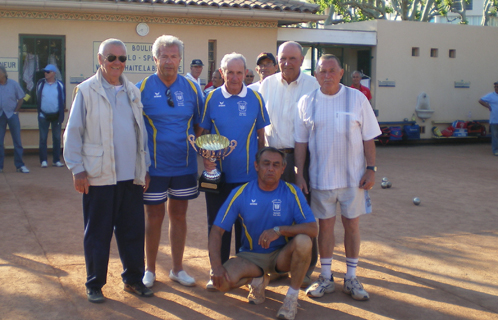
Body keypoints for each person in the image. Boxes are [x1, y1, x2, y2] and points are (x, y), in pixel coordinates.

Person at [63, 38, 152, 303]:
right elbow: (73, 132)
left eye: (122, 58)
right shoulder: (87, 91)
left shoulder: (133, 91)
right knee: (98, 234)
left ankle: (133, 280)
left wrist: (144, 168)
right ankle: (95, 284)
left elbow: (141, 134)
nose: (117, 63)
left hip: (131, 178)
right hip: (99, 177)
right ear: (101, 60)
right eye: (111, 58)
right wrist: (77, 169)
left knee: (133, 232)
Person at [294, 54, 381, 301]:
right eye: (322, 71)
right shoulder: (306, 102)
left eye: (332, 71)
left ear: (341, 73)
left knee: (352, 225)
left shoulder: (357, 99)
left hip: (354, 179)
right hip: (320, 179)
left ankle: (351, 278)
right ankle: (326, 277)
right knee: (325, 227)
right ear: (317, 74)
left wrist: (371, 168)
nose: (327, 75)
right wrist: (300, 174)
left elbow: (369, 138)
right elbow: (300, 143)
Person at [209, 147, 317, 320]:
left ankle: (291, 298)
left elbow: (312, 228)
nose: (271, 169)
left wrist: (279, 231)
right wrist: (216, 266)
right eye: (266, 164)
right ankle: (258, 279)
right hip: (251, 257)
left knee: (304, 241)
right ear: (256, 166)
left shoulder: (292, 192)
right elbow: (216, 231)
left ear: (283, 168)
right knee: (221, 284)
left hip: (282, 257)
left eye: (276, 165)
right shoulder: (241, 193)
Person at [137, 35, 204, 289]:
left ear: (180, 59)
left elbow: (200, 124)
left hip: (184, 166)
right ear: (155, 59)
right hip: (153, 167)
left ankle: (177, 269)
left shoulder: (192, 88)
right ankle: (150, 270)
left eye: (174, 56)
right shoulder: (141, 88)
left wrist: (187, 143)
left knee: (179, 215)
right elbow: (135, 127)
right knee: (153, 216)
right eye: (164, 56)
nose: (169, 61)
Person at [201, 52, 270, 290]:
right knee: (218, 226)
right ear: (222, 73)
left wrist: (262, 170)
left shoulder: (255, 98)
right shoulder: (210, 99)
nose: (234, 77)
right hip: (217, 177)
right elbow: (202, 136)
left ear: (245, 74)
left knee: (248, 228)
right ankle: (216, 273)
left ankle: (246, 274)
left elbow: (262, 138)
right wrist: (206, 161)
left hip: (248, 178)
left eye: (239, 72)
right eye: (229, 72)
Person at [259, 41, 319, 286]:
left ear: (302, 60)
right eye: (282, 58)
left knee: (302, 214)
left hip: (300, 158)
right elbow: (261, 122)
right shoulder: (267, 84)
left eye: (292, 58)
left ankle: (304, 271)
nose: (286, 63)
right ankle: (277, 267)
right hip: (271, 157)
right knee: (272, 212)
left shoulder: (313, 85)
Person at [0, 65, 29, 173]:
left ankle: (20, 165)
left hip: (12, 115)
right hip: (0, 115)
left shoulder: (13, 84)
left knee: (17, 141)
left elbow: (21, 98)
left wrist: (15, 111)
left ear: (3, 74)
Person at [36, 64, 65, 168]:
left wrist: (61, 115)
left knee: (57, 138)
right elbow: (38, 98)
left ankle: (56, 160)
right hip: (43, 116)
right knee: (43, 138)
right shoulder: (40, 84)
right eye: (45, 72)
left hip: (56, 116)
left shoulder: (60, 85)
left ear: (53, 73)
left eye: (48, 72)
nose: (45, 74)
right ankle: (43, 160)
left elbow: (62, 100)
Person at [478, 82, 498, 156]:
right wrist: (488, 106)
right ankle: (495, 150)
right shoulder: (491, 95)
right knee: (495, 136)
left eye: (497, 87)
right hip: (494, 120)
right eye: (495, 87)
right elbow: (480, 100)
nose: (496, 88)